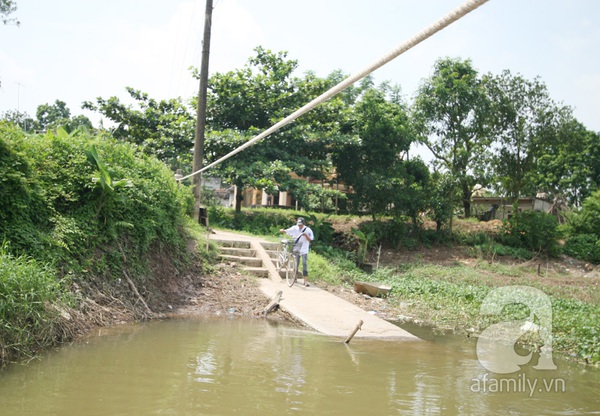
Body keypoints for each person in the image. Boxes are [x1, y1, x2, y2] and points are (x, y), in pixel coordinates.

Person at [279, 217, 314, 287]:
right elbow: (287, 231)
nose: (299, 226)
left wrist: (305, 235)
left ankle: (305, 281)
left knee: (304, 264)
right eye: (298, 224)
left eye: (301, 225)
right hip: (296, 248)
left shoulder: (308, 230)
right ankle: (295, 278)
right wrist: (283, 230)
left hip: (304, 249)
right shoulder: (295, 228)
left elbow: (310, 239)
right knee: (296, 263)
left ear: (304, 224)